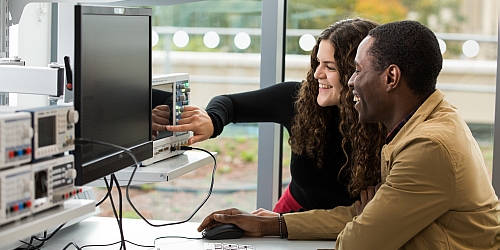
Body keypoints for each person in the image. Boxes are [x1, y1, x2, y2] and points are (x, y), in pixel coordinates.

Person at [197, 20, 500, 249]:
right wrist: (269, 225)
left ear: (391, 77)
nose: (352, 81)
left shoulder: (426, 146)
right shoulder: (427, 121)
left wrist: (366, 218)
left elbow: (356, 242)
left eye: (356, 69)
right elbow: (361, 216)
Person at [157, 18, 386, 214]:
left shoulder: (391, 121)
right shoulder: (299, 100)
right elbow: (230, 104)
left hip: (355, 223)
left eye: (330, 67)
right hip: (290, 215)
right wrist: (213, 121)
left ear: (357, 71)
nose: (317, 73)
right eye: (317, 63)